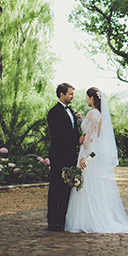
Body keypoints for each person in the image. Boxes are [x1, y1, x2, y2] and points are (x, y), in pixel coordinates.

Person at [65, 87, 128, 235]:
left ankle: (86, 220)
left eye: (87, 97)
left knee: (85, 185)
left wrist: (83, 157)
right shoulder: (99, 114)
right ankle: (93, 218)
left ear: (92, 99)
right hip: (95, 151)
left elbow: (87, 136)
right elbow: (94, 130)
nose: (86, 99)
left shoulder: (93, 113)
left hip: (88, 152)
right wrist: (82, 120)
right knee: (92, 185)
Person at [47, 82, 83, 232]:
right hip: (59, 155)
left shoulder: (72, 112)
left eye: (73, 94)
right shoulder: (54, 112)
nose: (73, 96)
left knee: (67, 187)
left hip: (70, 156)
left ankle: (62, 219)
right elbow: (60, 135)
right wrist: (77, 139)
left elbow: (73, 131)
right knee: (56, 187)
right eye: (70, 94)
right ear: (62, 95)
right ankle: (52, 221)